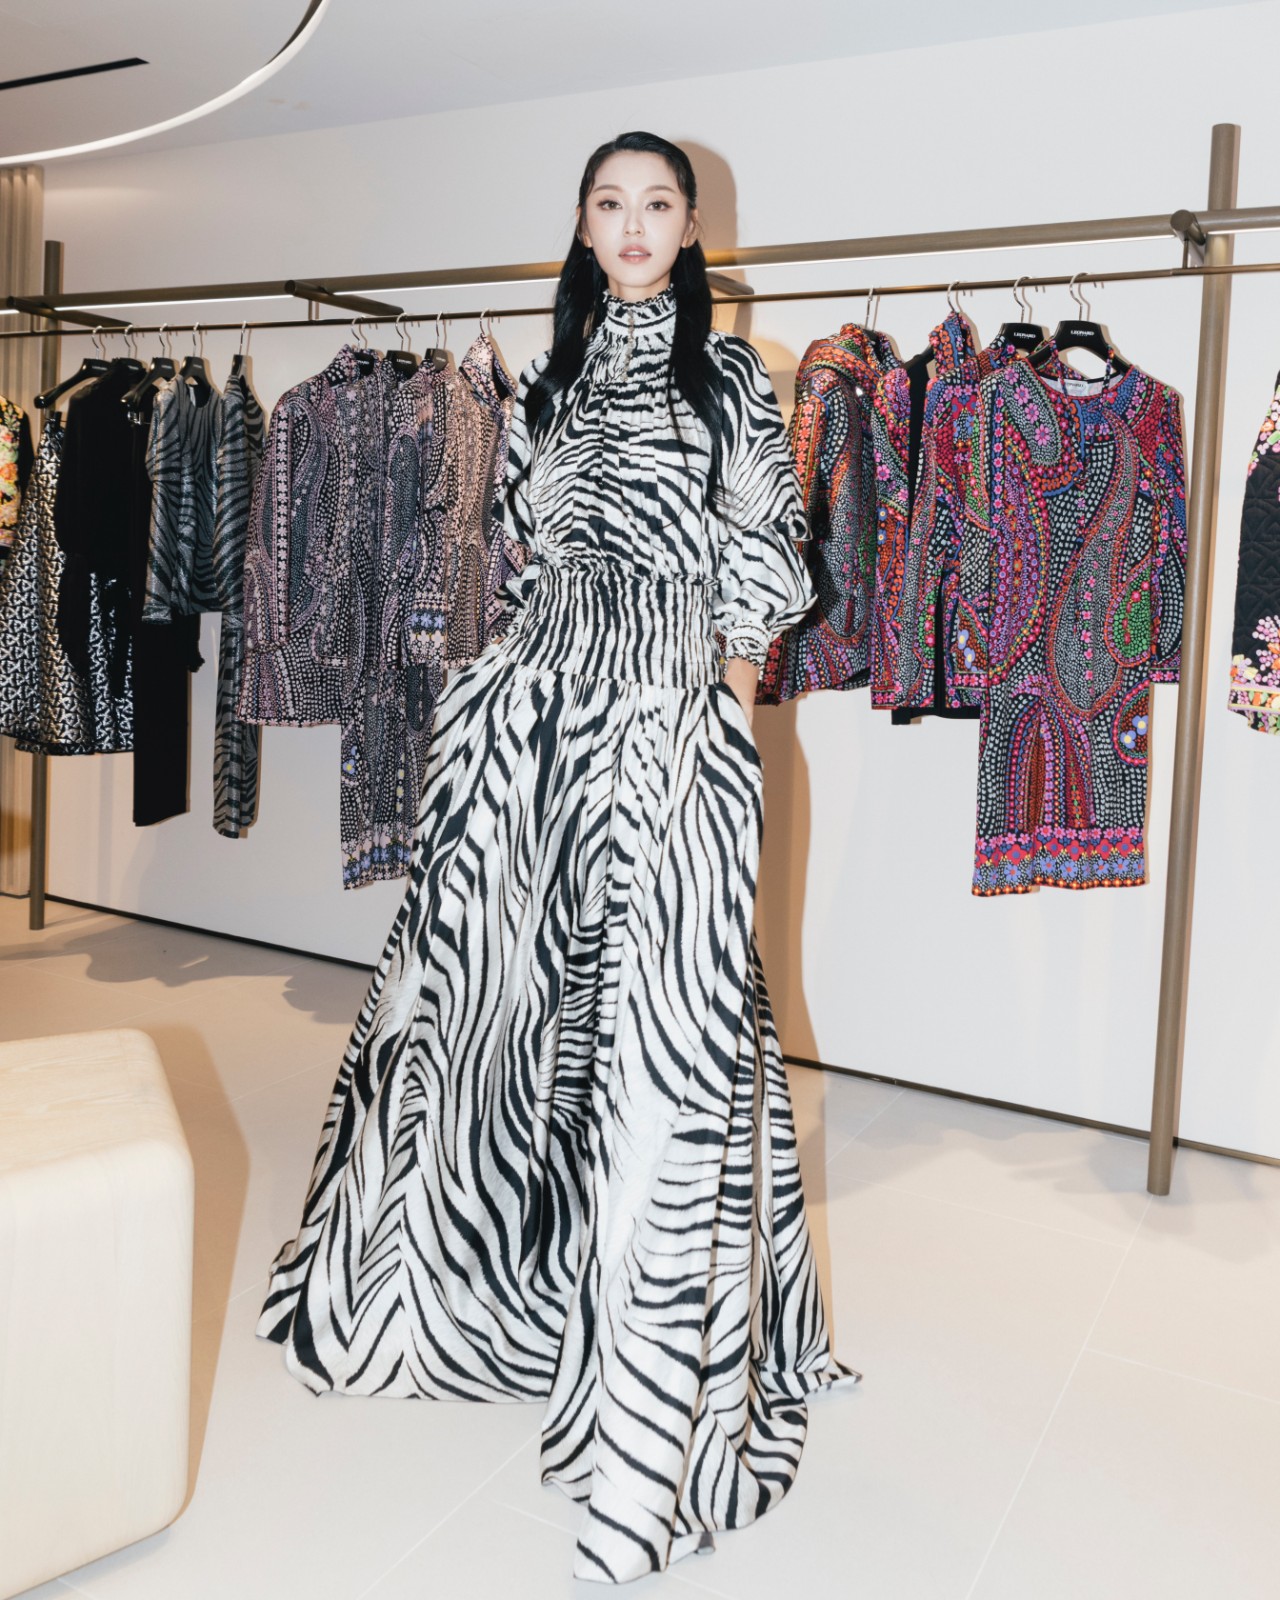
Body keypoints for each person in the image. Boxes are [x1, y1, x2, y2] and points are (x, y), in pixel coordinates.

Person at [257, 129, 859, 1585]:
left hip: (667, 722)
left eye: (659, 204)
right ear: (584, 228)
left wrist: (714, 733)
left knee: (669, 1038)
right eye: (610, 203)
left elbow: (761, 576)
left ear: (692, 228)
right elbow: (526, 560)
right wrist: (497, 704)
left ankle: (650, 1402)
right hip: (533, 721)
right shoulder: (550, 380)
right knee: (492, 1013)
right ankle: (496, 1289)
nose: (635, 224)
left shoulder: (734, 376)